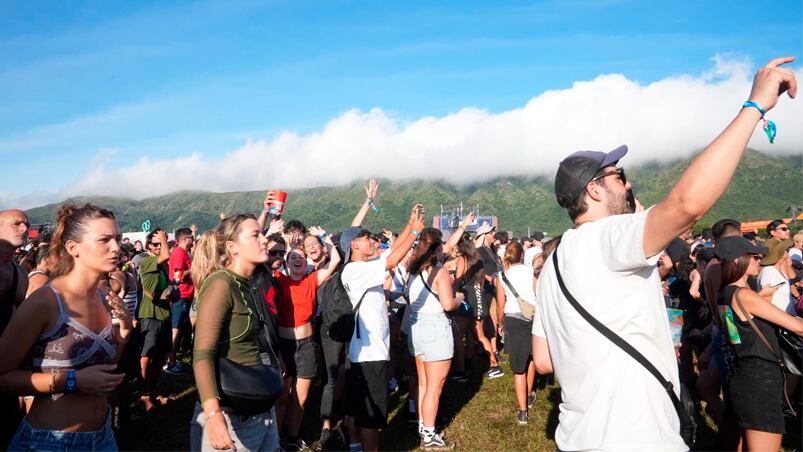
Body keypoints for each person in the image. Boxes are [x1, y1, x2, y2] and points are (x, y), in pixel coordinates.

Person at [531, 57, 797, 451]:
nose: (628, 182)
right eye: (618, 176)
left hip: (579, 436)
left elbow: (545, 362)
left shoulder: (553, 263)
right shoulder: (606, 238)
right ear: (593, 191)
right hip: (633, 438)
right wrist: (754, 106)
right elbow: (686, 204)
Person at [0, 204, 133, 451]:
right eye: (104, 240)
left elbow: (104, 371)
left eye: (116, 238)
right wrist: (71, 381)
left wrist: (123, 335)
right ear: (73, 248)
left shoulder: (103, 298)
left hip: (103, 437)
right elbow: (3, 377)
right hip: (50, 442)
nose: (116, 247)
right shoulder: (46, 301)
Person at [190, 214, 280, 452]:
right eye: (256, 235)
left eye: (263, 234)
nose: (264, 241)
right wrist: (213, 414)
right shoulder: (221, 284)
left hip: (259, 405)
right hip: (232, 414)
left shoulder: (244, 283)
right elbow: (201, 354)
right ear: (232, 247)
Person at [339, 204, 424, 452]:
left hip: (366, 352)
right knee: (371, 416)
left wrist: (409, 224)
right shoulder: (355, 270)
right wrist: (416, 233)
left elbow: (391, 254)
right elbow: (394, 259)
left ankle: (355, 446)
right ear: (354, 245)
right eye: (366, 237)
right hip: (369, 354)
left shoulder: (362, 267)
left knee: (359, 407)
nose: (371, 240)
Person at [714, 235, 803, 451]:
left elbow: (736, 336)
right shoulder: (745, 295)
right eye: (753, 256)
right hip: (760, 382)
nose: (759, 259)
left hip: (744, 376)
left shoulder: (725, 294)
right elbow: (799, 328)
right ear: (737, 260)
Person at [275, 228, 340, 451]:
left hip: (307, 345)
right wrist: (281, 239)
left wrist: (325, 238)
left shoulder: (312, 280)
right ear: (286, 262)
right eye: (292, 257)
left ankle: (292, 436)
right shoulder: (279, 280)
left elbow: (336, 259)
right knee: (283, 395)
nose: (297, 260)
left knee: (300, 397)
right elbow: (265, 260)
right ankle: (275, 437)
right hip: (284, 345)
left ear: (306, 263)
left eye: (301, 257)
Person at [405, 228, 459, 449]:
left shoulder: (412, 270)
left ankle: (422, 424)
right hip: (435, 326)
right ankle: (429, 434)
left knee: (424, 382)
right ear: (437, 249)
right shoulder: (440, 272)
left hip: (416, 326)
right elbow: (448, 304)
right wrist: (460, 299)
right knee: (435, 386)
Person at [497, 240, 537, 425]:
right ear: (522, 255)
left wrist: (499, 322)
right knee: (531, 358)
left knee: (518, 368)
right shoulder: (532, 271)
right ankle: (528, 395)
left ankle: (523, 411)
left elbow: (500, 303)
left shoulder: (502, 275)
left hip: (513, 318)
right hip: (534, 317)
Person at [0, 209, 30, 447]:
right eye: (16, 223)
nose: (24, 228)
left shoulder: (21, 274)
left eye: (26, 224)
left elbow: (19, 320)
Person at [137, 228, 171, 411]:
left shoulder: (162, 264)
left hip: (164, 313)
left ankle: (150, 389)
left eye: (161, 243)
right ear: (149, 246)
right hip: (150, 314)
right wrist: (165, 239)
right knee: (146, 355)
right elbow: (166, 255)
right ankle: (142, 394)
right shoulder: (147, 260)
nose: (160, 247)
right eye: (156, 243)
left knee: (161, 355)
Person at [166, 227, 195, 374]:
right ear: (185, 239)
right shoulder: (179, 253)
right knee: (175, 330)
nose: (193, 240)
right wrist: (194, 269)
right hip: (181, 295)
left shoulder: (183, 252)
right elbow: (178, 276)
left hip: (185, 295)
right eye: (191, 237)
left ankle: (173, 359)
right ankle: (171, 363)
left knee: (181, 329)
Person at [758, 239, 795, 312]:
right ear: (779, 253)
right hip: (780, 321)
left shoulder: (778, 269)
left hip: (788, 318)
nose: (787, 251)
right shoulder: (769, 271)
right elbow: (767, 304)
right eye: (785, 249)